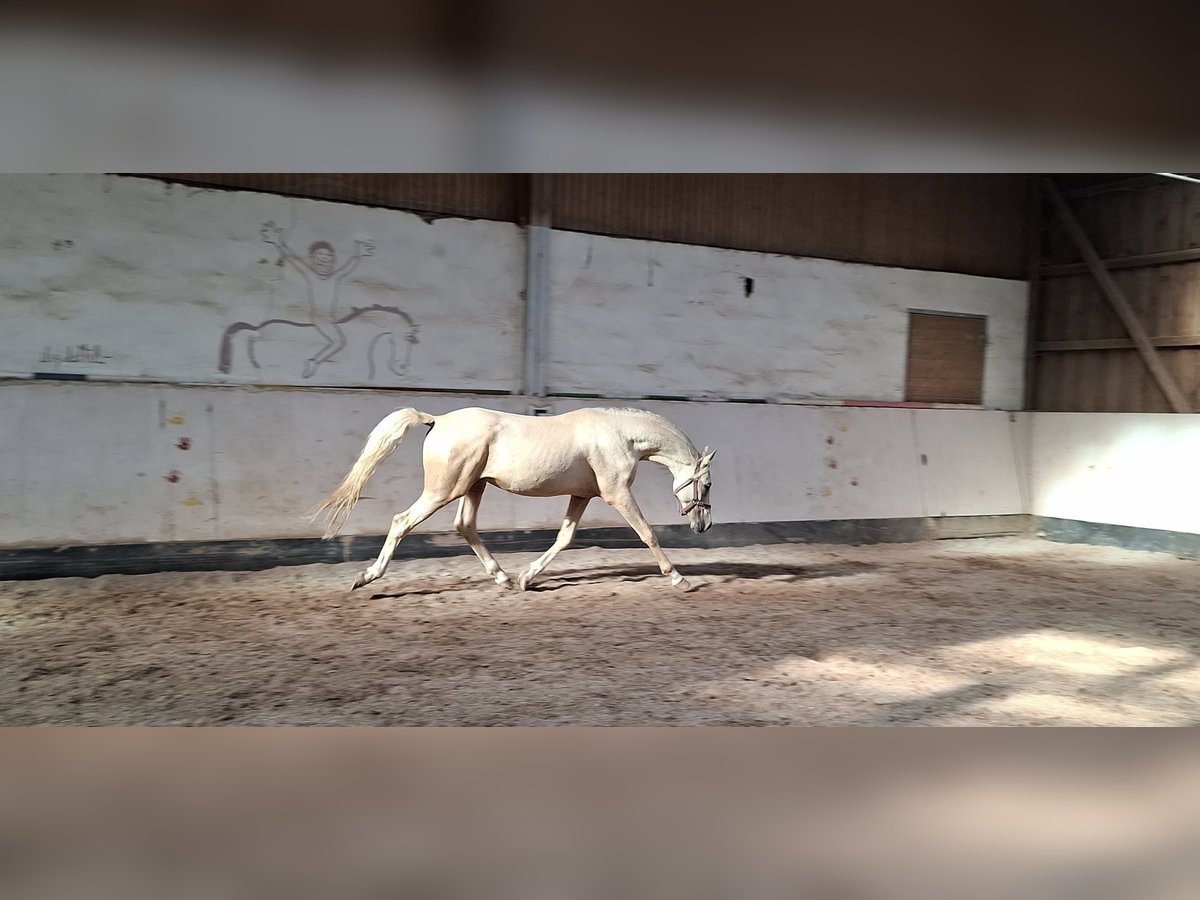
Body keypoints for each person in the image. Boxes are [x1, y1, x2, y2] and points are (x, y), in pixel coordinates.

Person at [260, 221, 375, 378]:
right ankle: (314, 361)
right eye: (319, 256)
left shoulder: (334, 278)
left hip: (329, 317)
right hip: (321, 318)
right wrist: (278, 243)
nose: (324, 260)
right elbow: (294, 260)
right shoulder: (313, 277)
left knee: (340, 338)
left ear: (333, 261)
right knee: (338, 342)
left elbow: (349, 265)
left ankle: (314, 361)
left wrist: (358, 252)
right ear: (312, 260)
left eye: (328, 257)